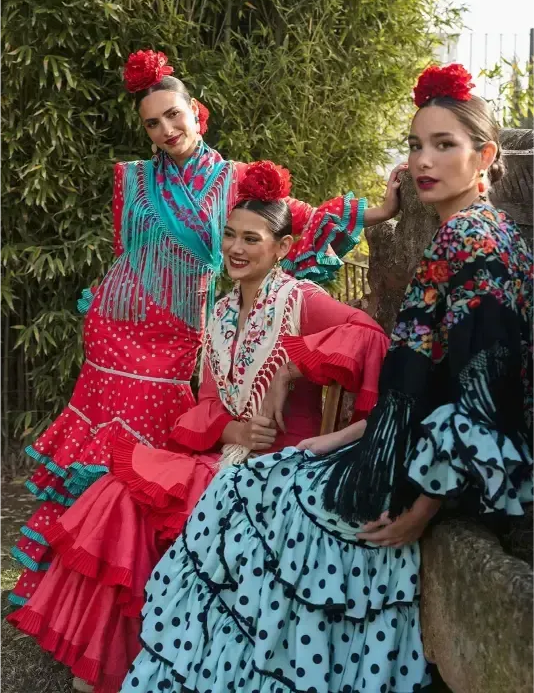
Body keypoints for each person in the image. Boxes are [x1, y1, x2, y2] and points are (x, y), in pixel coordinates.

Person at [120, 63, 534, 693]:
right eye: (416, 145)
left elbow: (484, 407)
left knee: (242, 508)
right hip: (389, 450)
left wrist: (422, 511)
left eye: (444, 145)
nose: (423, 161)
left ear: (485, 156)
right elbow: (422, 393)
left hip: (421, 481)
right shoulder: (458, 237)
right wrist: (336, 440)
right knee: (245, 492)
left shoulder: (480, 247)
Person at [8, 49, 404, 611]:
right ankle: (72, 595)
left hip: (179, 337)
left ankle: (138, 599)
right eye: (153, 122)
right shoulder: (133, 179)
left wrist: (378, 211)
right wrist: (103, 302)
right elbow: (130, 254)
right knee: (98, 456)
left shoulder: (234, 180)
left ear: (198, 112)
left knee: (145, 460)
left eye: (174, 115)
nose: (167, 130)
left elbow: (299, 218)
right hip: (116, 330)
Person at [7, 163, 390, 693]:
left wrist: (291, 368)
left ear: (280, 248)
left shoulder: (300, 300)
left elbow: (367, 334)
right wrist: (230, 432)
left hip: (281, 471)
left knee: (132, 498)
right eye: (229, 235)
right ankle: (132, 653)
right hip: (229, 459)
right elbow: (210, 400)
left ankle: (158, 653)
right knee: (116, 493)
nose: (235, 248)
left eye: (250, 239)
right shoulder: (220, 313)